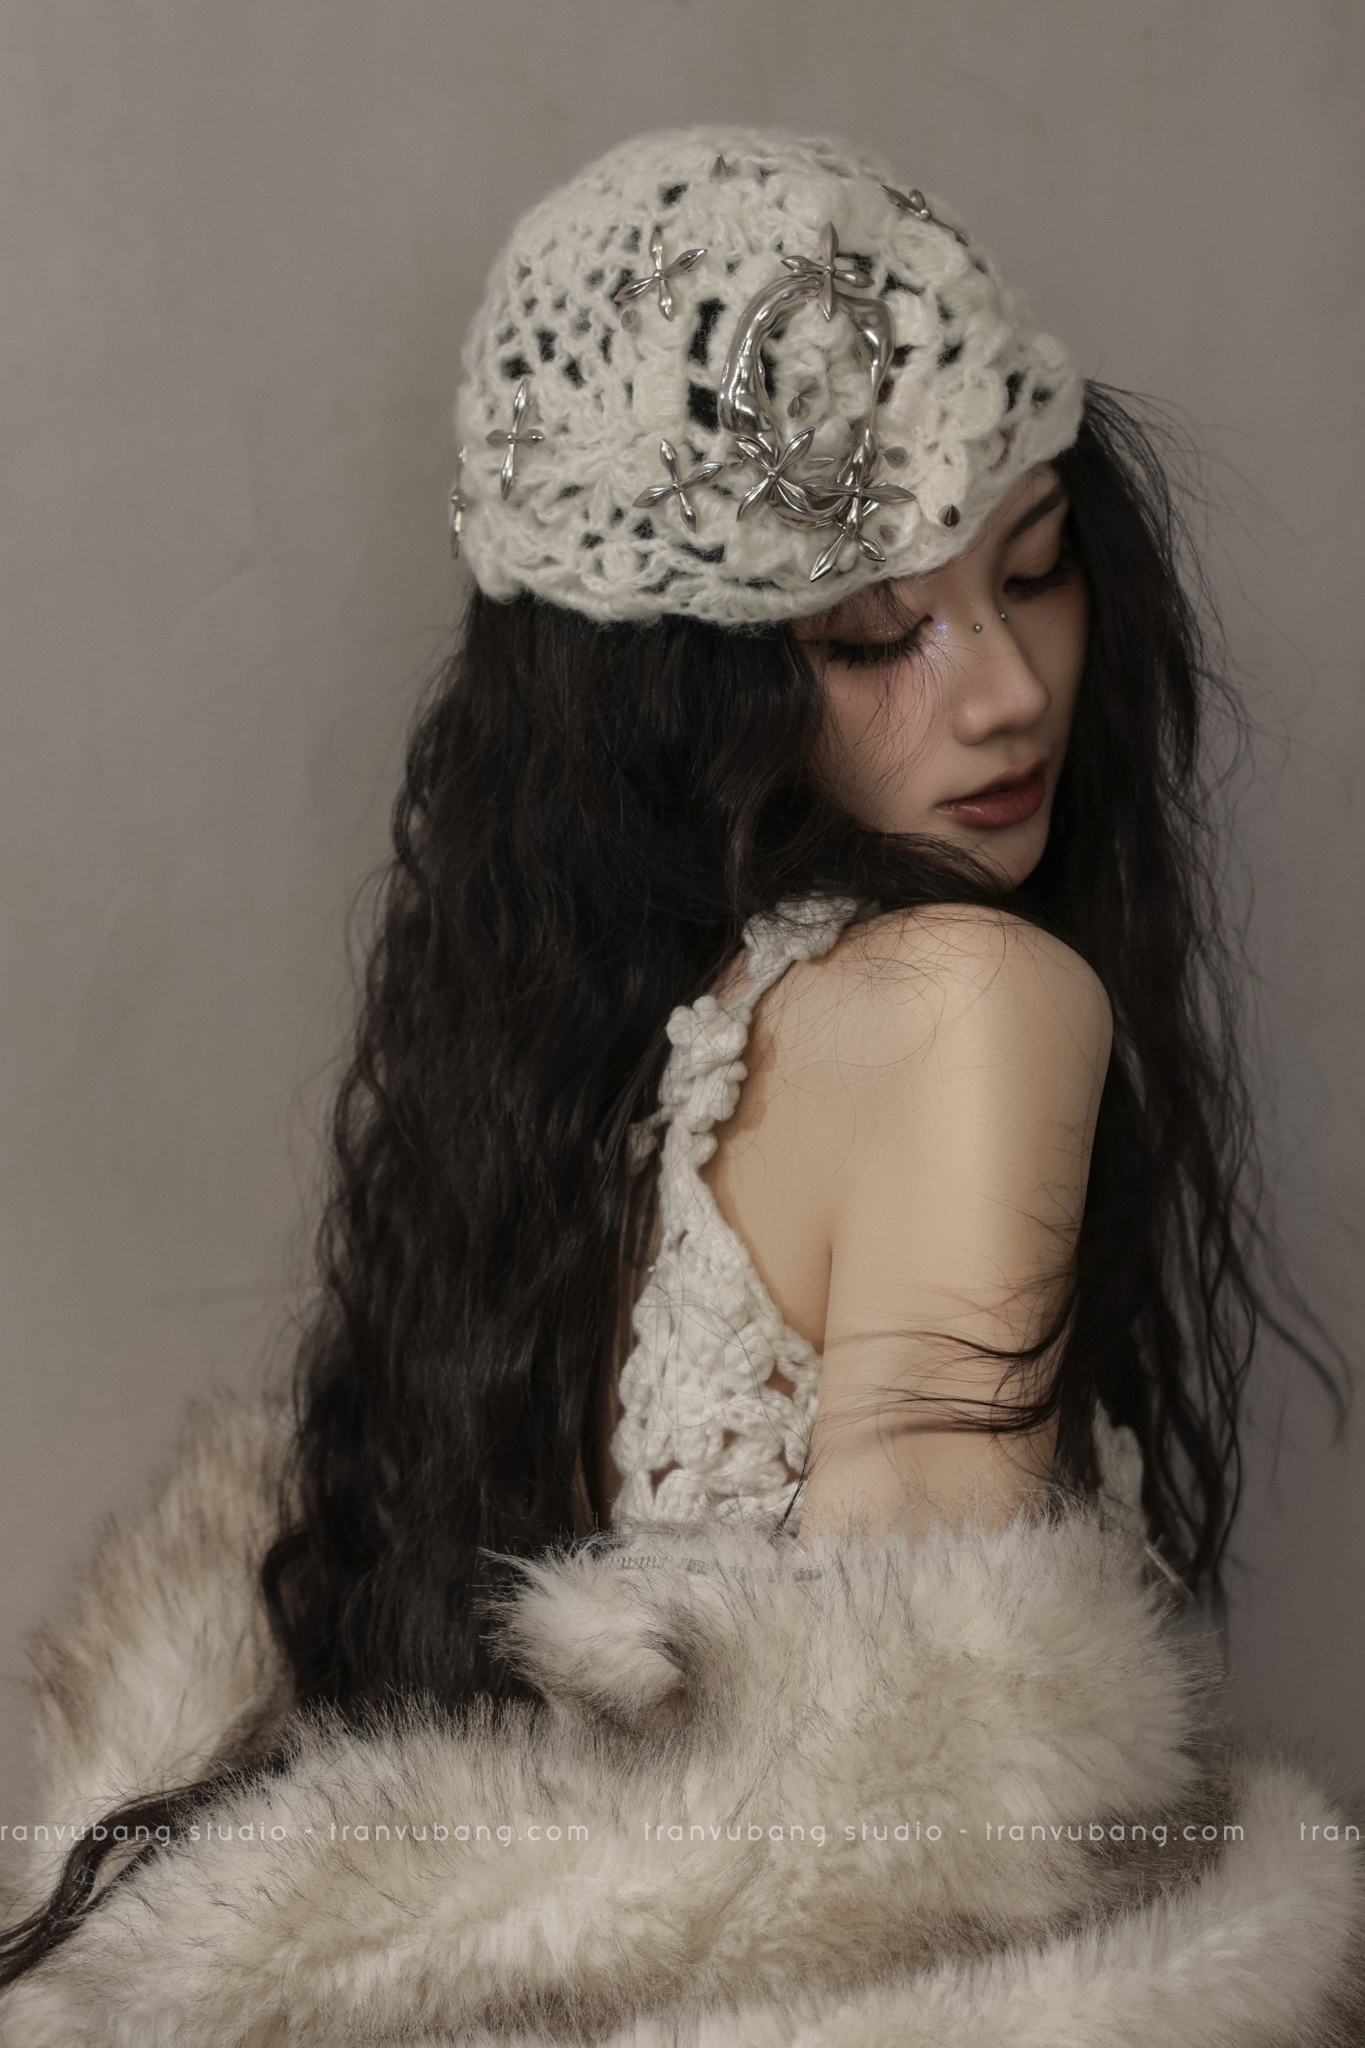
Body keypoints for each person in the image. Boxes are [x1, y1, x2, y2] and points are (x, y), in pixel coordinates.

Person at [1, 126, 1360, 2044]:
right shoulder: (967, 1002)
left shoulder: (569, 1099)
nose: (1003, 691)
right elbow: (923, 1833)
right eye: (871, 635)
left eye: (1036, 567)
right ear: (671, 699)